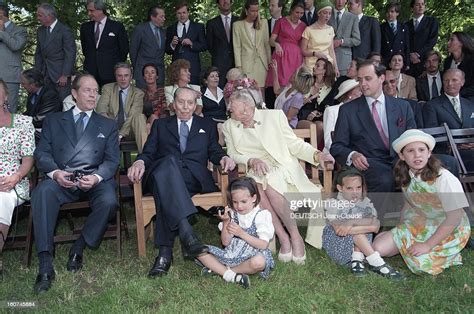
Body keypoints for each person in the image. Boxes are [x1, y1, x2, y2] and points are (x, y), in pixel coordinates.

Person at [127, 87, 235, 278]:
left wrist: (224, 158)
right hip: (161, 174)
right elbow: (148, 152)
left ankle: (165, 253)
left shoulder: (207, 124)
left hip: (193, 179)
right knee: (168, 163)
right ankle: (186, 233)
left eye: (190, 103)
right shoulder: (161, 125)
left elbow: (215, 150)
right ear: (173, 104)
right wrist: (139, 161)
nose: (185, 107)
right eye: (181, 102)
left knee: (166, 188)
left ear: (196, 105)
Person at [223, 82, 334, 262]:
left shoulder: (274, 117)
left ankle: (295, 236)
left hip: (282, 165)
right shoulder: (229, 126)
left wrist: (316, 154)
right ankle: (284, 237)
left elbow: (294, 144)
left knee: (268, 183)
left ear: (247, 108)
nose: (229, 111)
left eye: (232, 108)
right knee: (256, 183)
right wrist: (251, 160)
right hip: (256, 169)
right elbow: (233, 154)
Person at [31, 73, 120, 294]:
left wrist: (97, 177)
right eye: (87, 90)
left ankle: (78, 247)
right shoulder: (53, 121)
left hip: (93, 180)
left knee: (109, 200)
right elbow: (41, 154)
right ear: (73, 93)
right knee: (42, 193)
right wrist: (55, 173)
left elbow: (112, 160)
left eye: (95, 90)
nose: (93, 94)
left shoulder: (107, 125)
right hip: (63, 178)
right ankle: (45, 263)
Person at [372, 129, 471, 275]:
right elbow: (408, 203)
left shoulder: (444, 178)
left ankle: (449, 253)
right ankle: (398, 240)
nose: (417, 155)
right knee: (378, 248)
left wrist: (427, 244)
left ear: (429, 153)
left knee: (421, 265)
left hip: (448, 226)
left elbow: (455, 217)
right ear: (402, 155)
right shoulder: (406, 174)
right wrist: (401, 230)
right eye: (410, 151)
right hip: (420, 222)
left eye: (421, 150)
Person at [330, 60, 416, 194]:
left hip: (401, 161)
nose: (363, 84)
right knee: (385, 179)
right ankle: (374, 215)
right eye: (360, 80)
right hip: (369, 164)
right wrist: (353, 155)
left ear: (381, 78)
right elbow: (336, 147)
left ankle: (446, 213)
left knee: (447, 163)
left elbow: (413, 138)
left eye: (368, 79)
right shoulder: (348, 110)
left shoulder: (403, 106)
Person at [322, 168, 403, 279]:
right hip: (339, 247)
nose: (355, 192)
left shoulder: (365, 203)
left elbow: (376, 226)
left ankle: (358, 259)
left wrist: (351, 222)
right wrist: (367, 227)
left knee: (358, 231)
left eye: (358, 187)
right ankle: (377, 263)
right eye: (349, 188)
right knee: (359, 233)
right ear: (340, 188)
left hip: (361, 247)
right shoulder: (333, 204)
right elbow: (339, 230)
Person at [197, 177, 275, 288]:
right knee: (198, 250)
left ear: (254, 198)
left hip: (251, 255)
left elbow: (263, 244)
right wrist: (226, 222)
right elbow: (225, 242)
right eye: (235, 202)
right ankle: (228, 274)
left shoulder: (261, 215)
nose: (239, 206)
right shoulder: (233, 214)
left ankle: (223, 271)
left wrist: (242, 233)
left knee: (259, 262)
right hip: (231, 254)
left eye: (243, 201)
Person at [0, 79, 35, 278]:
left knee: (2, 199)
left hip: (13, 180)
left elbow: (28, 159)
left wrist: (16, 177)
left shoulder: (22, 122)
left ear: (6, 96)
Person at [96, 62, 148, 152]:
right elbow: (101, 108)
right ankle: (109, 164)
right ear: (115, 76)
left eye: (126, 75)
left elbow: (133, 115)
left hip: (131, 130)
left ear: (131, 77)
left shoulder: (138, 93)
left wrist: (120, 135)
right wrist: (113, 131)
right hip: (111, 128)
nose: (123, 79)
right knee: (101, 119)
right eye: (119, 76)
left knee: (139, 117)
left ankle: (144, 158)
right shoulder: (108, 88)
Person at [80, 0, 129, 87]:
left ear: (101, 10)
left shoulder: (117, 27)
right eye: (88, 10)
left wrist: (116, 67)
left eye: (91, 10)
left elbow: (124, 50)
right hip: (90, 72)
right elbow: (85, 49)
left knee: (111, 99)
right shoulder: (85, 27)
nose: (89, 13)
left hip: (111, 73)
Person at [34, 3, 76, 102]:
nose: (37, 18)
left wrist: (65, 75)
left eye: (40, 15)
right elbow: (38, 53)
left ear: (49, 16)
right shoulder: (40, 31)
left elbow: (70, 53)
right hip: (44, 74)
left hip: (60, 76)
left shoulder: (64, 30)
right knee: (45, 102)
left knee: (63, 101)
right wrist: (38, 72)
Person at [233, 0, 271, 94]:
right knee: (248, 91)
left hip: (262, 63)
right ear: (246, 11)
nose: (255, 13)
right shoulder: (237, 25)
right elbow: (237, 47)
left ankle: (262, 109)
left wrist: (269, 62)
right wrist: (239, 66)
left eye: (257, 11)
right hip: (246, 64)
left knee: (261, 92)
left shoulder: (264, 23)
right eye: (252, 11)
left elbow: (267, 44)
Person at [266, 0, 305, 90]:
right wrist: (276, 44)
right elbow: (271, 40)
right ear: (291, 10)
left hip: (295, 58)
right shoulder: (280, 22)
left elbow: (303, 45)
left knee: (292, 86)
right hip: (281, 55)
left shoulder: (303, 26)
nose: (299, 15)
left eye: (301, 13)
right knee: (278, 86)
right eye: (297, 12)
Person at [165, 2, 207, 85]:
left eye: (184, 12)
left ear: (188, 13)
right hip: (176, 68)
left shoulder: (198, 27)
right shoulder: (171, 29)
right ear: (176, 14)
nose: (182, 15)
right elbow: (167, 50)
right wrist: (172, 45)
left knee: (194, 93)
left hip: (193, 67)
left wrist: (192, 44)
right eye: (179, 13)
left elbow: (204, 46)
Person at [299, 58, 336, 146]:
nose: (314, 67)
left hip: (316, 116)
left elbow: (327, 106)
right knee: (314, 127)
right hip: (302, 115)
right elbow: (295, 99)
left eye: (318, 66)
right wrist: (303, 101)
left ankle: (313, 152)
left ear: (324, 71)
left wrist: (317, 113)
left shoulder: (329, 88)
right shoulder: (308, 82)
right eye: (315, 65)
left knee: (320, 126)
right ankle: (311, 153)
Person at [130, 6, 166, 88]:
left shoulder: (163, 32)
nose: (164, 19)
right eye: (161, 16)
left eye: (164, 16)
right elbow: (133, 51)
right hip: (143, 74)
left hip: (159, 75)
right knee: (143, 99)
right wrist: (138, 68)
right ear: (152, 17)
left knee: (158, 99)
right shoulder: (140, 29)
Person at [21, 68, 61, 141]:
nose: (22, 86)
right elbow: (29, 113)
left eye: (23, 83)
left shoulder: (50, 95)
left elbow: (42, 118)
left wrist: (20, 122)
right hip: (35, 129)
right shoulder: (31, 94)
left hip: (47, 133)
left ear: (32, 85)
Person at [0, 5, 27, 113]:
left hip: (9, 78)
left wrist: (2, 32)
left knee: (9, 110)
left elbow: (16, 45)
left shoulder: (19, 30)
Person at [323, 79, 361, 153]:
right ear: (349, 94)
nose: (361, 93)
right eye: (359, 89)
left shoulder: (362, 111)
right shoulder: (331, 111)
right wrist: (346, 154)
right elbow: (328, 141)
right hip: (334, 157)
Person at [206, 0, 238, 88]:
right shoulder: (211, 23)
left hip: (237, 63)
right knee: (220, 91)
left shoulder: (239, 21)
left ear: (231, 2)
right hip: (219, 64)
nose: (225, 2)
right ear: (218, 4)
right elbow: (209, 45)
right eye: (222, 0)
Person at [300, 1, 337, 72]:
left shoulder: (330, 29)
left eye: (329, 13)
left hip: (327, 65)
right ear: (319, 13)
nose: (327, 16)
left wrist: (336, 67)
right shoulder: (309, 30)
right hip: (312, 65)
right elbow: (303, 51)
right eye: (325, 13)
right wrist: (315, 53)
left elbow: (331, 51)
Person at [406, 0, 439, 78]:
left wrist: (418, 54)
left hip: (425, 61)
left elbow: (432, 41)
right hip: (410, 63)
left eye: (422, 4)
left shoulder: (432, 22)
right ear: (412, 8)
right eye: (417, 4)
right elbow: (405, 43)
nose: (421, 6)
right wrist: (410, 55)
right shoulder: (406, 25)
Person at [328, 0, 361, 76]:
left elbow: (357, 40)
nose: (340, 2)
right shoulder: (327, 14)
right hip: (328, 57)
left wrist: (341, 41)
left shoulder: (353, 17)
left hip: (344, 61)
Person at [443, 32, 474, 101]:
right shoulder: (448, 62)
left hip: (470, 99)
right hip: (450, 99)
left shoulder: (472, 60)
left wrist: (457, 94)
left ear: (461, 43)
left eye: (452, 40)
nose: (448, 43)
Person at [380, 2, 410, 67]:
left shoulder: (404, 27)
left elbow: (406, 46)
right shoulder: (381, 27)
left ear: (397, 13)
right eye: (388, 12)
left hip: (400, 61)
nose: (389, 14)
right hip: (387, 61)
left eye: (392, 11)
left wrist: (407, 63)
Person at [141, 63, 168, 132]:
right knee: (147, 125)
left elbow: (165, 110)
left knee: (153, 118)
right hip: (146, 123)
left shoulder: (164, 91)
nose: (150, 75)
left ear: (157, 76)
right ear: (144, 77)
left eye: (152, 72)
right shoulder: (141, 93)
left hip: (163, 121)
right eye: (146, 73)